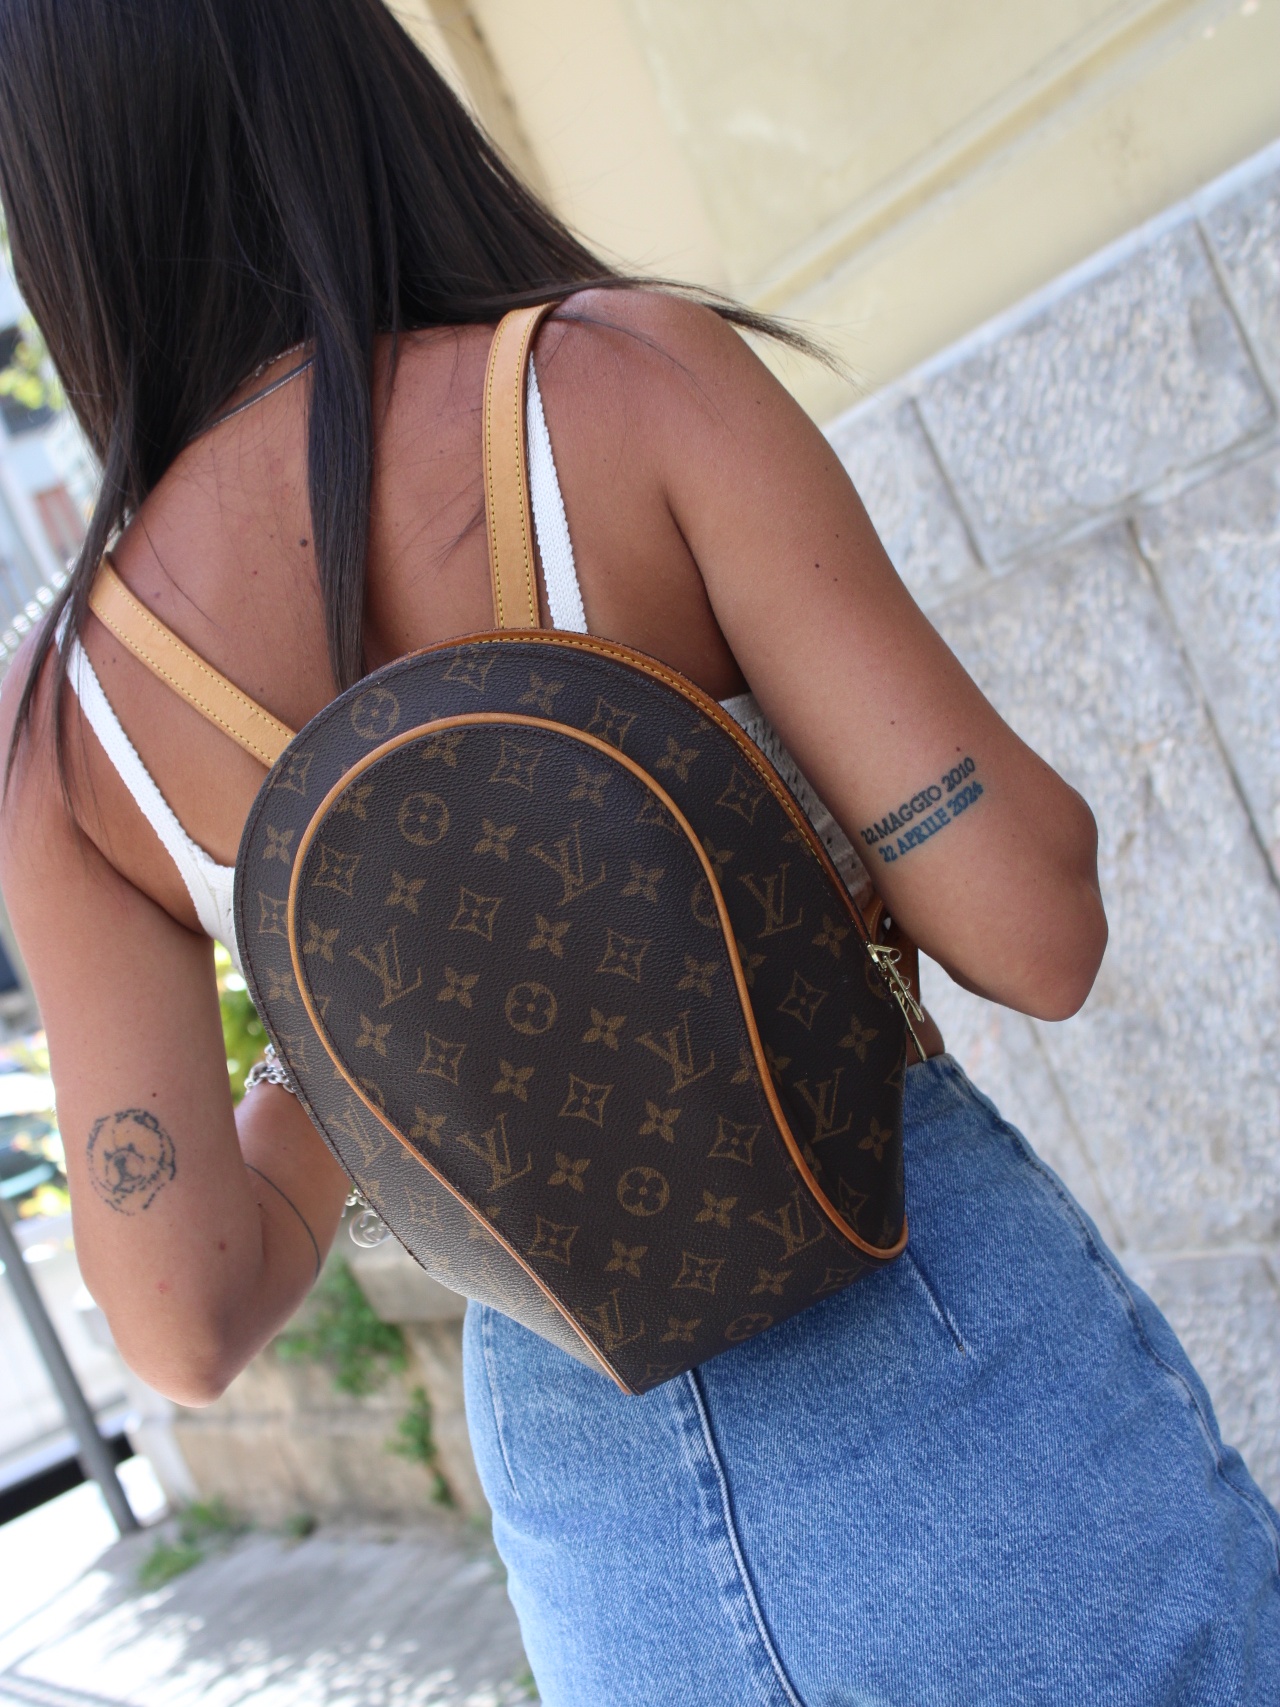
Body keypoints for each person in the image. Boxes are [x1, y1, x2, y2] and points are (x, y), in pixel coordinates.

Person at [0, 3, 1275, 1701]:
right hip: (941, 1358)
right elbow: (1036, 927)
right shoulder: (620, 385)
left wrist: (395, 1004)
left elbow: (186, 1319)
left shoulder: (64, 720)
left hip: (603, 1534)